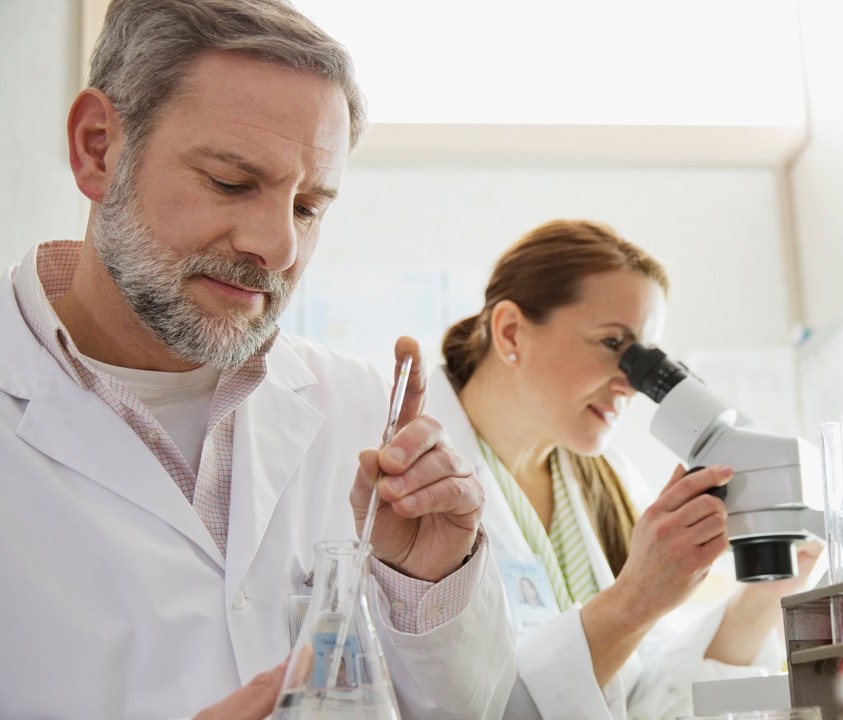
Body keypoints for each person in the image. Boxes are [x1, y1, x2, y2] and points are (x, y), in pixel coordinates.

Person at [0, 1, 514, 718]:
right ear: (97, 148)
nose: (277, 248)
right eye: (231, 183)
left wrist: (427, 584)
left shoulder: (363, 417)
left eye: (308, 207)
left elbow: (472, 709)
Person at [434, 219, 822, 719]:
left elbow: (645, 697)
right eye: (615, 344)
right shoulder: (420, 480)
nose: (632, 383)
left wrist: (768, 595)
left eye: (644, 357)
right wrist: (636, 596)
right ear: (511, 332)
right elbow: (463, 702)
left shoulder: (609, 483)